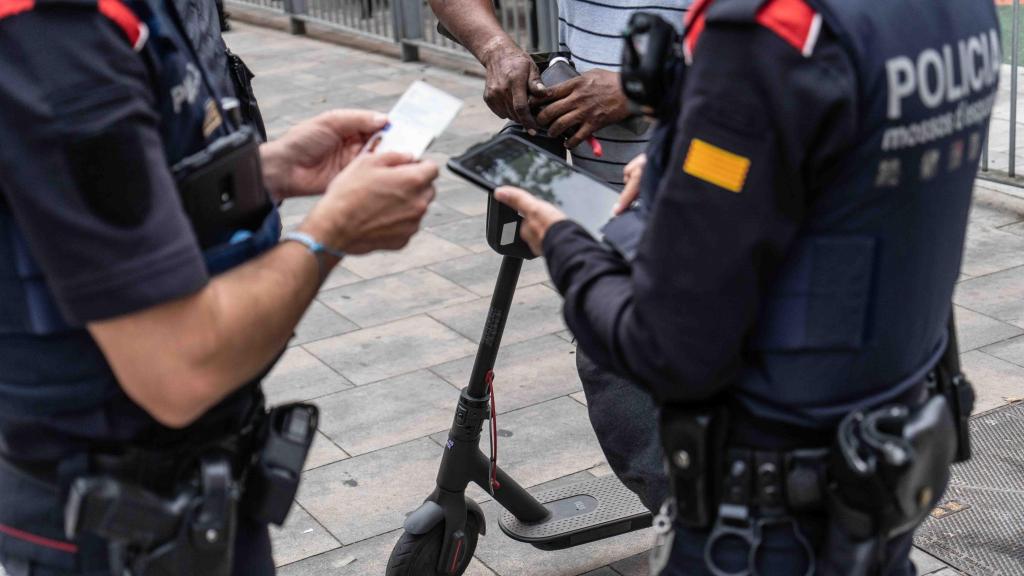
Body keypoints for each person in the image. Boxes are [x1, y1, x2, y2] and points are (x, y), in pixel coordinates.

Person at [495, 0, 999, 573]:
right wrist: (675, 168)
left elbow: (665, 345)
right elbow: (843, 180)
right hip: (889, 456)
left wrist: (564, 242)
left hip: (769, 511)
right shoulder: (954, 10)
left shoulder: (775, 27)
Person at [0, 0, 438, 573]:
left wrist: (263, 172)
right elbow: (180, 367)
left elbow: (122, 187)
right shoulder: (64, 32)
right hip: (115, 532)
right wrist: (331, 233)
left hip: (198, 500)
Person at [431, 0, 691, 512]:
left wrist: (646, 88)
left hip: (729, 220)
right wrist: (496, 49)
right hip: (608, 218)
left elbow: (816, 63)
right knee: (624, 392)